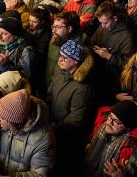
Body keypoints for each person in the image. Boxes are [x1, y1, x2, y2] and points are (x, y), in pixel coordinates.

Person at [0, 89, 56, 177]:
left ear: (15, 121)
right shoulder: (4, 127)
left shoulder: (43, 138)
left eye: (3, 117)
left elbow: (41, 174)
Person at [47, 39, 94, 175]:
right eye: (60, 55)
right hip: (52, 124)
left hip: (66, 135)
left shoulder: (82, 88)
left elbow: (75, 120)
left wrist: (53, 128)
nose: (60, 59)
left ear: (75, 61)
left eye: (65, 57)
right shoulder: (60, 70)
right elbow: (51, 91)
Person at [85, 100, 137, 176]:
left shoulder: (130, 149)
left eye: (116, 121)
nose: (109, 122)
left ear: (128, 128)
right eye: (110, 117)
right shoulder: (101, 125)